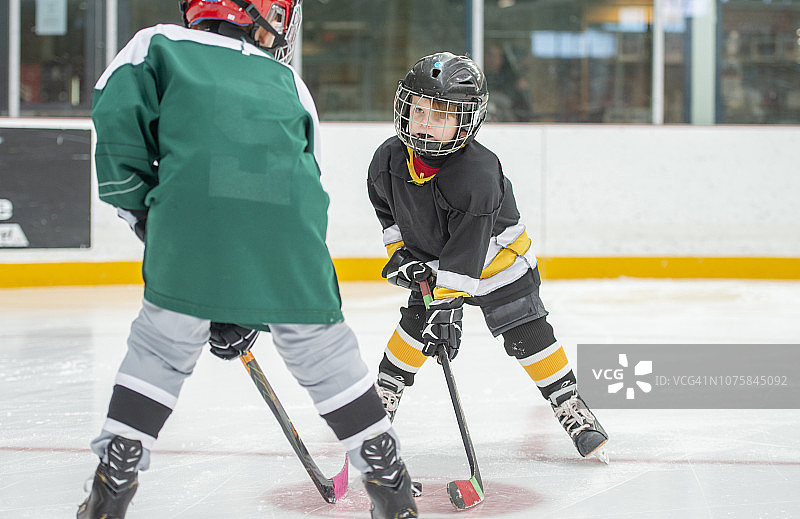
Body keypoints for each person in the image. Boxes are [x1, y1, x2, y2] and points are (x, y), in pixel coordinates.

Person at [76, 2, 417, 518]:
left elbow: (117, 120)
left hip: (190, 223)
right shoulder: (287, 80)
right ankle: (389, 482)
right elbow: (306, 180)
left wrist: (154, 221)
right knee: (324, 353)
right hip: (293, 238)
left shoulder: (158, 44)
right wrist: (251, 298)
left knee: (162, 348)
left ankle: (117, 472)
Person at [367, 52, 608, 463]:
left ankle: (570, 405)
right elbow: (388, 212)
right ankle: (381, 401)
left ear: (466, 121)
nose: (424, 122)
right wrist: (401, 256)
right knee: (414, 329)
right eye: (419, 110)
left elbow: (469, 248)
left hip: (498, 266)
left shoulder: (477, 172)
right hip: (440, 265)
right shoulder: (388, 158)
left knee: (528, 334)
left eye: (441, 115)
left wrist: (449, 304)